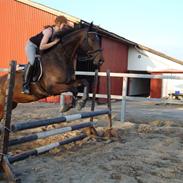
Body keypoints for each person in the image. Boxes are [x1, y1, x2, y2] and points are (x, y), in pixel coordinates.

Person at [22, 15, 71, 94]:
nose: (65, 26)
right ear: (59, 23)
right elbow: (42, 46)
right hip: (32, 46)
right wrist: (54, 42)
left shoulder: (58, 33)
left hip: (40, 48)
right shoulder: (49, 31)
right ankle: (25, 86)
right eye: (64, 25)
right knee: (32, 62)